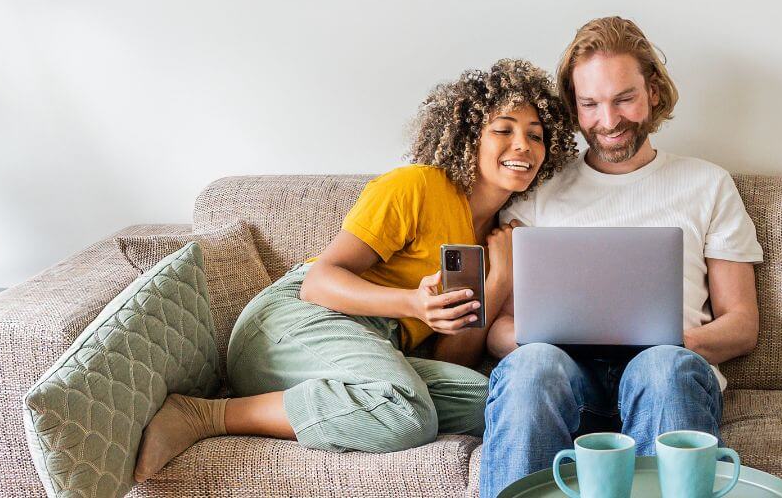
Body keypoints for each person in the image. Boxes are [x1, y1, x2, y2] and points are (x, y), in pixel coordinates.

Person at [133, 59, 578, 482]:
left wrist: (498, 279)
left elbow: (450, 359)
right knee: (408, 415)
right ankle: (206, 414)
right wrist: (411, 303)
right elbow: (319, 281)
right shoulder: (417, 186)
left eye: (537, 136)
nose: (523, 145)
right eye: (504, 130)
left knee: (500, 403)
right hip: (292, 325)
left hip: (376, 354)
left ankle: (361, 399)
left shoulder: (498, 236)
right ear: (469, 136)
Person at [480, 17, 764, 497]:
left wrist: (674, 343)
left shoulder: (707, 184)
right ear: (574, 105)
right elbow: (500, 330)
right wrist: (544, 343)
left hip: (667, 378)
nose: (608, 121)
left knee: (662, 367)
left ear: (653, 92)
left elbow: (741, 324)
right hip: (564, 385)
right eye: (590, 104)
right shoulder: (540, 189)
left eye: (623, 99)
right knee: (532, 368)